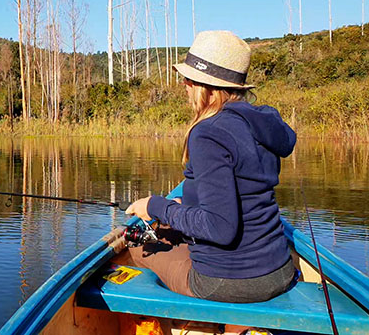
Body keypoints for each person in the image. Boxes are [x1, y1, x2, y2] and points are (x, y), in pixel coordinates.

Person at [125, 30, 297, 303]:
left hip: (227, 281)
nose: (184, 85)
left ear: (203, 84)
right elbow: (241, 192)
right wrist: (182, 205)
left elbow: (220, 228)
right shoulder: (259, 122)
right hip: (281, 271)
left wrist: (155, 206)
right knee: (170, 229)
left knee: (137, 247)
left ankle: (211, 325)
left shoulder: (208, 133)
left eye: (188, 79)